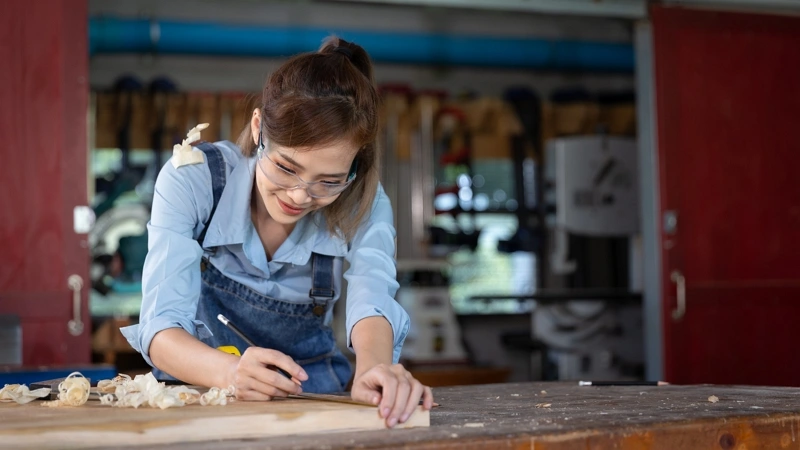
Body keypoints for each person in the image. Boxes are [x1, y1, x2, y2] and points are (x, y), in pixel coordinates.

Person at [121, 37, 433, 427]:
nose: (301, 195)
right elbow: (161, 326)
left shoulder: (361, 200)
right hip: (200, 398)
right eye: (286, 168)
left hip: (312, 397)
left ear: (352, 172)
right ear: (258, 130)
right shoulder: (194, 178)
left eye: (329, 181)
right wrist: (231, 374)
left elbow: (372, 298)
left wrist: (375, 370)